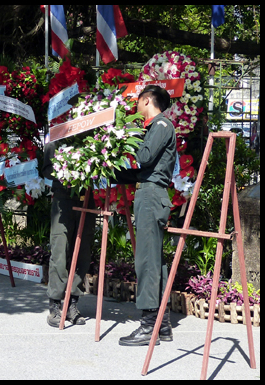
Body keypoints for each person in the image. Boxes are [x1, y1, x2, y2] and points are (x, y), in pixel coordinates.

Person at [111, 85, 176, 346]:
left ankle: (149, 325)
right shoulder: (157, 128)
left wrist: (126, 135)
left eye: (138, 102)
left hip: (151, 197)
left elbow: (145, 158)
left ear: (147, 100)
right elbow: (142, 172)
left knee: (147, 261)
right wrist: (113, 173)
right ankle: (163, 324)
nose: (135, 107)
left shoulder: (160, 126)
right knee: (154, 261)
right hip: (148, 193)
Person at [42, 139, 97, 328]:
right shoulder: (57, 138)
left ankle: (73, 303)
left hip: (86, 198)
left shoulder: (92, 135)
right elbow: (46, 169)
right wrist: (68, 168)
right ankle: (55, 305)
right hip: (63, 200)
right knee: (60, 250)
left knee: (82, 252)